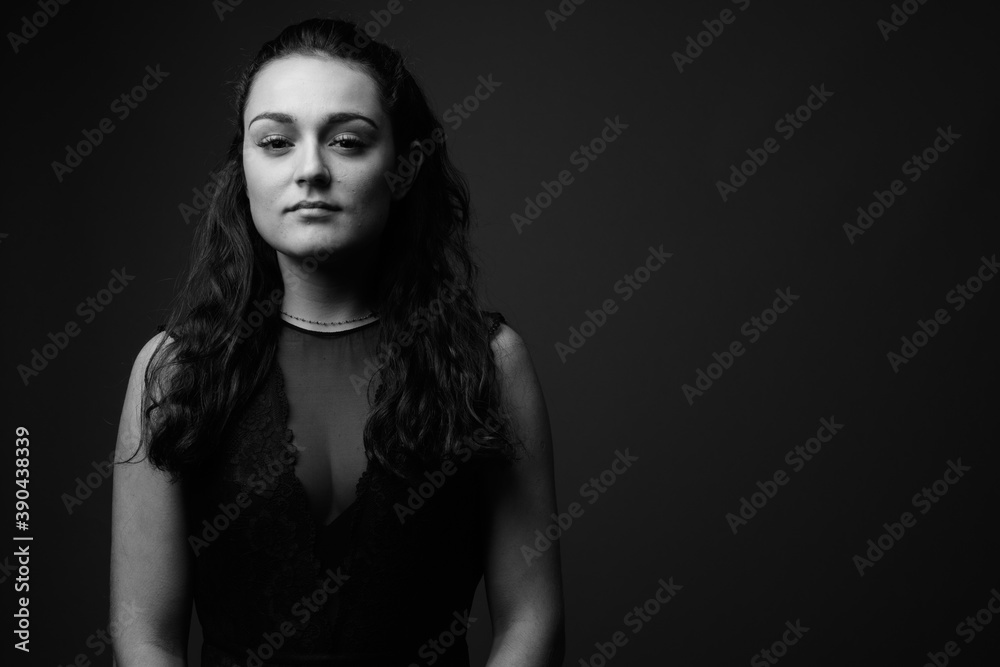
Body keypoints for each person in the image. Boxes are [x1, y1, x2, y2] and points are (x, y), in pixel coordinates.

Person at [109, 17, 565, 666]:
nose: (311, 170)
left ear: (402, 166)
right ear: (241, 168)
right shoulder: (173, 369)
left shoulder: (488, 362)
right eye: (275, 141)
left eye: (348, 141)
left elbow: (532, 622)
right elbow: (145, 637)